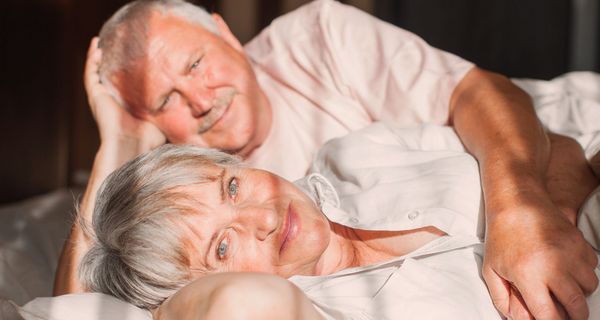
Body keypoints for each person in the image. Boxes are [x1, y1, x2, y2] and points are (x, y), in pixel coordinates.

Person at [54, 0, 600, 318]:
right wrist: (118, 147)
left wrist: (528, 216)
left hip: (541, 135)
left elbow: (484, 98)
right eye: (164, 100)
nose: (200, 99)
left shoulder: (318, 50)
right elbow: (76, 310)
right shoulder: (170, 213)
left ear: (224, 32)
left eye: (196, 63)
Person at [77, 122, 600, 319]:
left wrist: (542, 219)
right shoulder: (322, 314)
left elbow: (557, 146)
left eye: (231, 187)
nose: (262, 216)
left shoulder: (351, 153)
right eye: (221, 247)